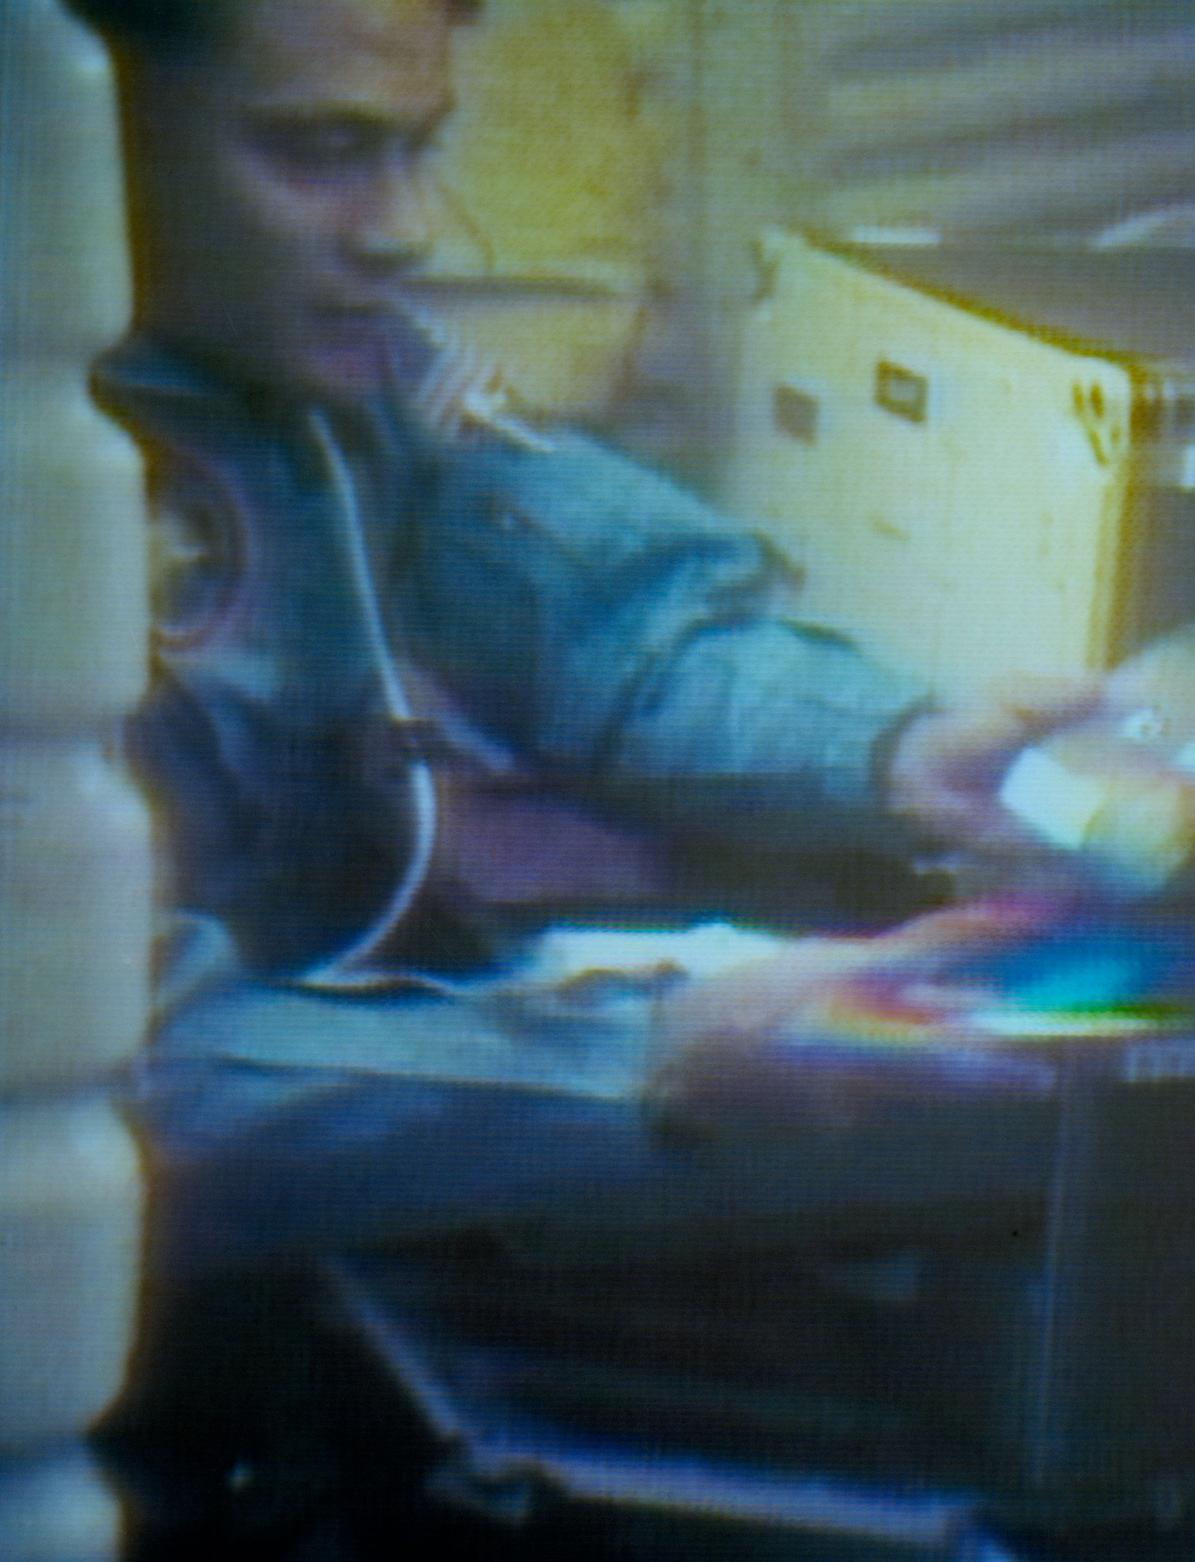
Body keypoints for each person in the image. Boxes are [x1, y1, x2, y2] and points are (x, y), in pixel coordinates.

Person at [65, 0, 1092, 1550]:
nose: (405, 229)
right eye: (320, 152)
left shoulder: (342, 389)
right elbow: (117, 1096)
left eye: (418, 149)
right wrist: (653, 1060)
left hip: (281, 1308)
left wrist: (897, 752)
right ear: (89, 131)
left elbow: (617, 629)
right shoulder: (43, 471)